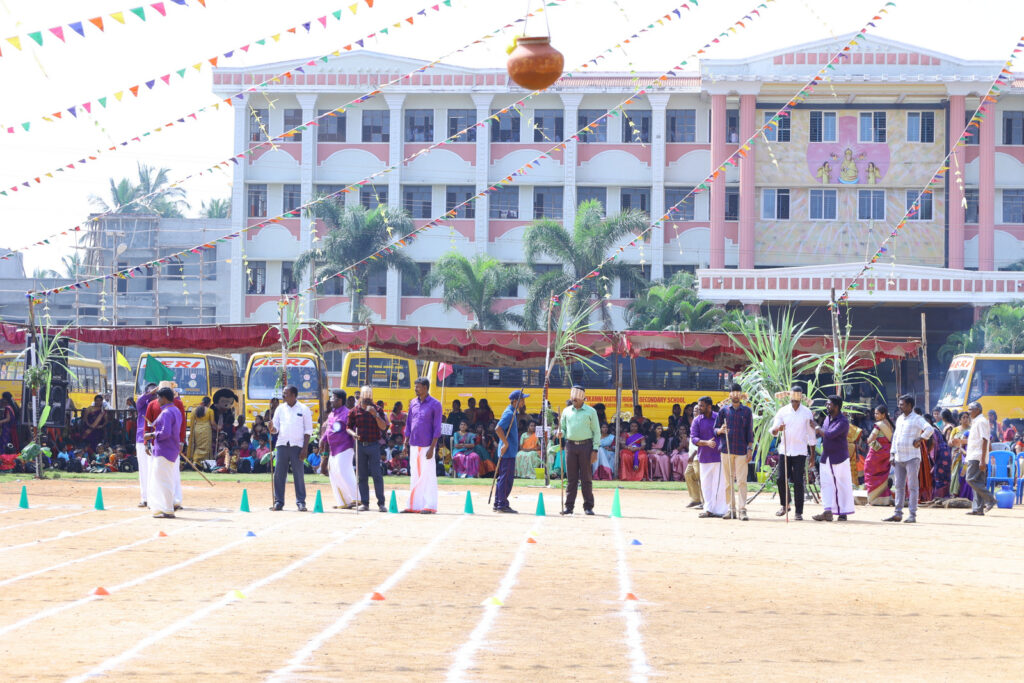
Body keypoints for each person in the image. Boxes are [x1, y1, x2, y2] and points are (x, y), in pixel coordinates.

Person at [770, 384, 817, 521]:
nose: (794, 402)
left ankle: (799, 511)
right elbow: (773, 430)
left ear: (801, 399)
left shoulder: (807, 412)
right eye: (792, 399)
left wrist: (812, 455)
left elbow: (811, 434)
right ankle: (785, 505)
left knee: (798, 481)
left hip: (800, 452)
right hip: (785, 451)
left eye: (797, 400)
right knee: (780, 479)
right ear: (789, 398)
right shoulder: (783, 411)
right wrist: (778, 429)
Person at [884, 394, 933, 524]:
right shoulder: (899, 419)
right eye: (899, 404)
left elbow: (930, 429)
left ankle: (912, 514)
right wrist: (892, 454)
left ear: (910, 405)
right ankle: (897, 513)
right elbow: (895, 437)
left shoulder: (917, 418)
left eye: (902, 404)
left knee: (912, 486)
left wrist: (920, 439)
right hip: (899, 457)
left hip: (912, 457)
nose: (899, 406)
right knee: (899, 486)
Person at [558, 385, 601, 516]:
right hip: (570, 446)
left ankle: (588, 506)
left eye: (576, 397)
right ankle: (569, 507)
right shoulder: (566, 411)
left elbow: (597, 432)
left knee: (586, 478)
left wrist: (595, 449)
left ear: (582, 398)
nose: (574, 399)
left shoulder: (591, 412)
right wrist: (560, 432)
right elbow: (563, 428)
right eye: (572, 397)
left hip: (586, 446)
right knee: (571, 478)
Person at [269, 385, 313, 512]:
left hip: (297, 446)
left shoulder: (304, 409)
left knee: (298, 474)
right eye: (283, 393)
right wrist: (272, 429)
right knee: (279, 474)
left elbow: (308, 430)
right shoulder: (280, 409)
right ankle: (278, 501)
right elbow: (275, 428)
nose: (283, 396)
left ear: (294, 395)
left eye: (285, 394)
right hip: (282, 444)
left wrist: (305, 448)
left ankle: (301, 502)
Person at [404, 377, 443, 514]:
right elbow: (409, 424)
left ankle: (429, 505)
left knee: (428, 475)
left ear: (426, 388)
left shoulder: (435, 404)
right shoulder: (413, 403)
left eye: (418, 387)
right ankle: (414, 505)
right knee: (414, 474)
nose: (415, 389)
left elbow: (437, 428)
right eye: (415, 387)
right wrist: (405, 443)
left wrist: (433, 448)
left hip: (427, 445)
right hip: (413, 444)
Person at [715, 383, 754, 521]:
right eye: (733, 392)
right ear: (730, 394)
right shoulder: (723, 411)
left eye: (738, 392)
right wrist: (721, 430)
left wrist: (750, 449)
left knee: (742, 481)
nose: (735, 395)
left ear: (741, 394)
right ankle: (730, 509)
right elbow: (715, 429)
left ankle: (742, 510)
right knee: (728, 482)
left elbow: (750, 433)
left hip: (742, 450)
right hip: (726, 450)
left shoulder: (747, 411)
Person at [812, 395, 854, 522]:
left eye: (829, 404)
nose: (827, 406)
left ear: (836, 406)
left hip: (839, 457)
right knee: (825, 484)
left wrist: (816, 426)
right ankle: (827, 510)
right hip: (826, 457)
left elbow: (829, 434)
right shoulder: (827, 419)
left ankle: (843, 512)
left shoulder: (843, 421)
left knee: (842, 485)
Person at [348, 385, 388, 512]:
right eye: (364, 398)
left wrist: (375, 414)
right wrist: (353, 434)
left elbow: (383, 427)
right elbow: (348, 427)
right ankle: (365, 503)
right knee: (362, 476)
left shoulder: (378, 409)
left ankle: (381, 503)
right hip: (360, 446)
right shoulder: (354, 411)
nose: (366, 401)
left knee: (377, 475)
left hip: (374, 445)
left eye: (368, 398)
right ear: (360, 397)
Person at [143, 387, 182, 519]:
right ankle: (166, 507)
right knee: (168, 479)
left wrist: (152, 434)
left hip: (164, 450)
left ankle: (167, 509)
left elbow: (165, 433)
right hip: (172, 449)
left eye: (159, 397)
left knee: (162, 480)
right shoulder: (175, 410)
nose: (157, 400)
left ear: (164, 398)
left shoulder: (166, 412)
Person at [321, 390, 357, 509]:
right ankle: (343, 501)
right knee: (334, 473)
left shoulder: (347, 413)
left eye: (333, 398)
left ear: (340, 400)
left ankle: (357, 498)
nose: (331, 400)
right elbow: (328, 430)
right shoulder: (332, 414)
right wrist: (323, 439)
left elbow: (352, 428)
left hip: (345, 447)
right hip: (333, 448)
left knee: (343, 471)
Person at [692, 396, 727, 518]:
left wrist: (721, 431)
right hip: (704, 457)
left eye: (701, 405)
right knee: (706, 484)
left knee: (719, 484)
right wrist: (706, 442)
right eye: (699, 405)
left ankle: (720, 510)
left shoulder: (719, 417)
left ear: (709, 406)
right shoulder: (697, 420)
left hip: (719, 456)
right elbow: (694, 438)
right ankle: (708, 509)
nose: (699, 407)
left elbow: (723, 430)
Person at [494, 390, 528, 513]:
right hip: (507, 451)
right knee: (506, 479)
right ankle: (502, 504)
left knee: (503, 478)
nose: (524, 402)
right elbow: (498, 428)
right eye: (522, 399)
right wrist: (506, 443)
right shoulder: (509, 413)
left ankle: (498, 502)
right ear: (516, 401)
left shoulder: (512, 412)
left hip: (508, 451)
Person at [964, 401, 998, 516]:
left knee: (970, 479)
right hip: (974, 455)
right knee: (978, 482)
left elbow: (985, 440)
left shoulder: (981, 421)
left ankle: (990, 499)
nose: (968, 412)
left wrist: (983, 460)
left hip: (977, 456)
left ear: (977, 409)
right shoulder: (976, 421)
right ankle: (978, 508)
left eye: (970, 409)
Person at [864, 405, 895, 505]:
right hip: (887, 453)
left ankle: (874, 499)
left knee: (870, 472)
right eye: (875, 413)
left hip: (877, 453)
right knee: (883, 475)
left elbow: (871, 439)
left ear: (883, 414)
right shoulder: (890, 424)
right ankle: (884, 499)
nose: (875, 415)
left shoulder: (879, 424)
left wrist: (867, 440)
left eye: (877, 413)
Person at [134, 383, 158, 508]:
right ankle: (145, 498)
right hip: (141, 438)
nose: (154, 394)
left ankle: (155, 497)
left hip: (156, 440)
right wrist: (149, 393)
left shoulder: (162, 403)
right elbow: (139, 400)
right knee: (144, 470)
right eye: (151, 392)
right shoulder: (143, 404)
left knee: (155, 470)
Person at [187, 397, 215, 466]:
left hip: (197, 429)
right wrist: (218, 427)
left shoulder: (194, 410)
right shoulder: (210, 411)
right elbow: (212, 423)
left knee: (197, 446)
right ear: (208, 403)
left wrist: (192, 432)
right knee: (206, 446)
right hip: (206, 430)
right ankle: (203, 463)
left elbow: (192, 423)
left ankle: (196, 460)